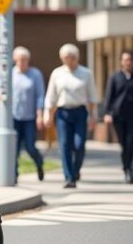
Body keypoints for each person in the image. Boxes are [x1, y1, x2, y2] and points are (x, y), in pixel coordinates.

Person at [44, 43, 98, 189]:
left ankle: (76, 170)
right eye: (65, 58)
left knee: (79, 145)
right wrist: (48, 115)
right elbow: (51, 96)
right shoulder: (57, 73)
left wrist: (93, 117)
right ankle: (69, 177)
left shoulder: (86, 73)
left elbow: (92, 97)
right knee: (65, 145)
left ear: (76, 58)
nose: (68, 60)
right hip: (62, 113)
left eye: (71, 57)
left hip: (80, 112)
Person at [0, 46, 45, 181]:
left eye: (25, 60)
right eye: (20, 60)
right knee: (14, 148)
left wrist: (40, 115)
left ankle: (39, 163)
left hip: (29, 118)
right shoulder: (8, 74)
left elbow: (40, 96)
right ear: (15, 60)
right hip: (13, 117)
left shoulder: (35, 74)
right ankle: (14, 175)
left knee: (30, 147)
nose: (23, 62)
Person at [103, 50, 133, 184]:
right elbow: (109, 96)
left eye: (130, 60)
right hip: (118, 116)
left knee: (130, 142)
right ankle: (126, 167)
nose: (128, 62)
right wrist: (107, 113)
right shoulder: (115, 77)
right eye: (126, 59)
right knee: (123, 144)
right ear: (121, 62)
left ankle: (128, 169)